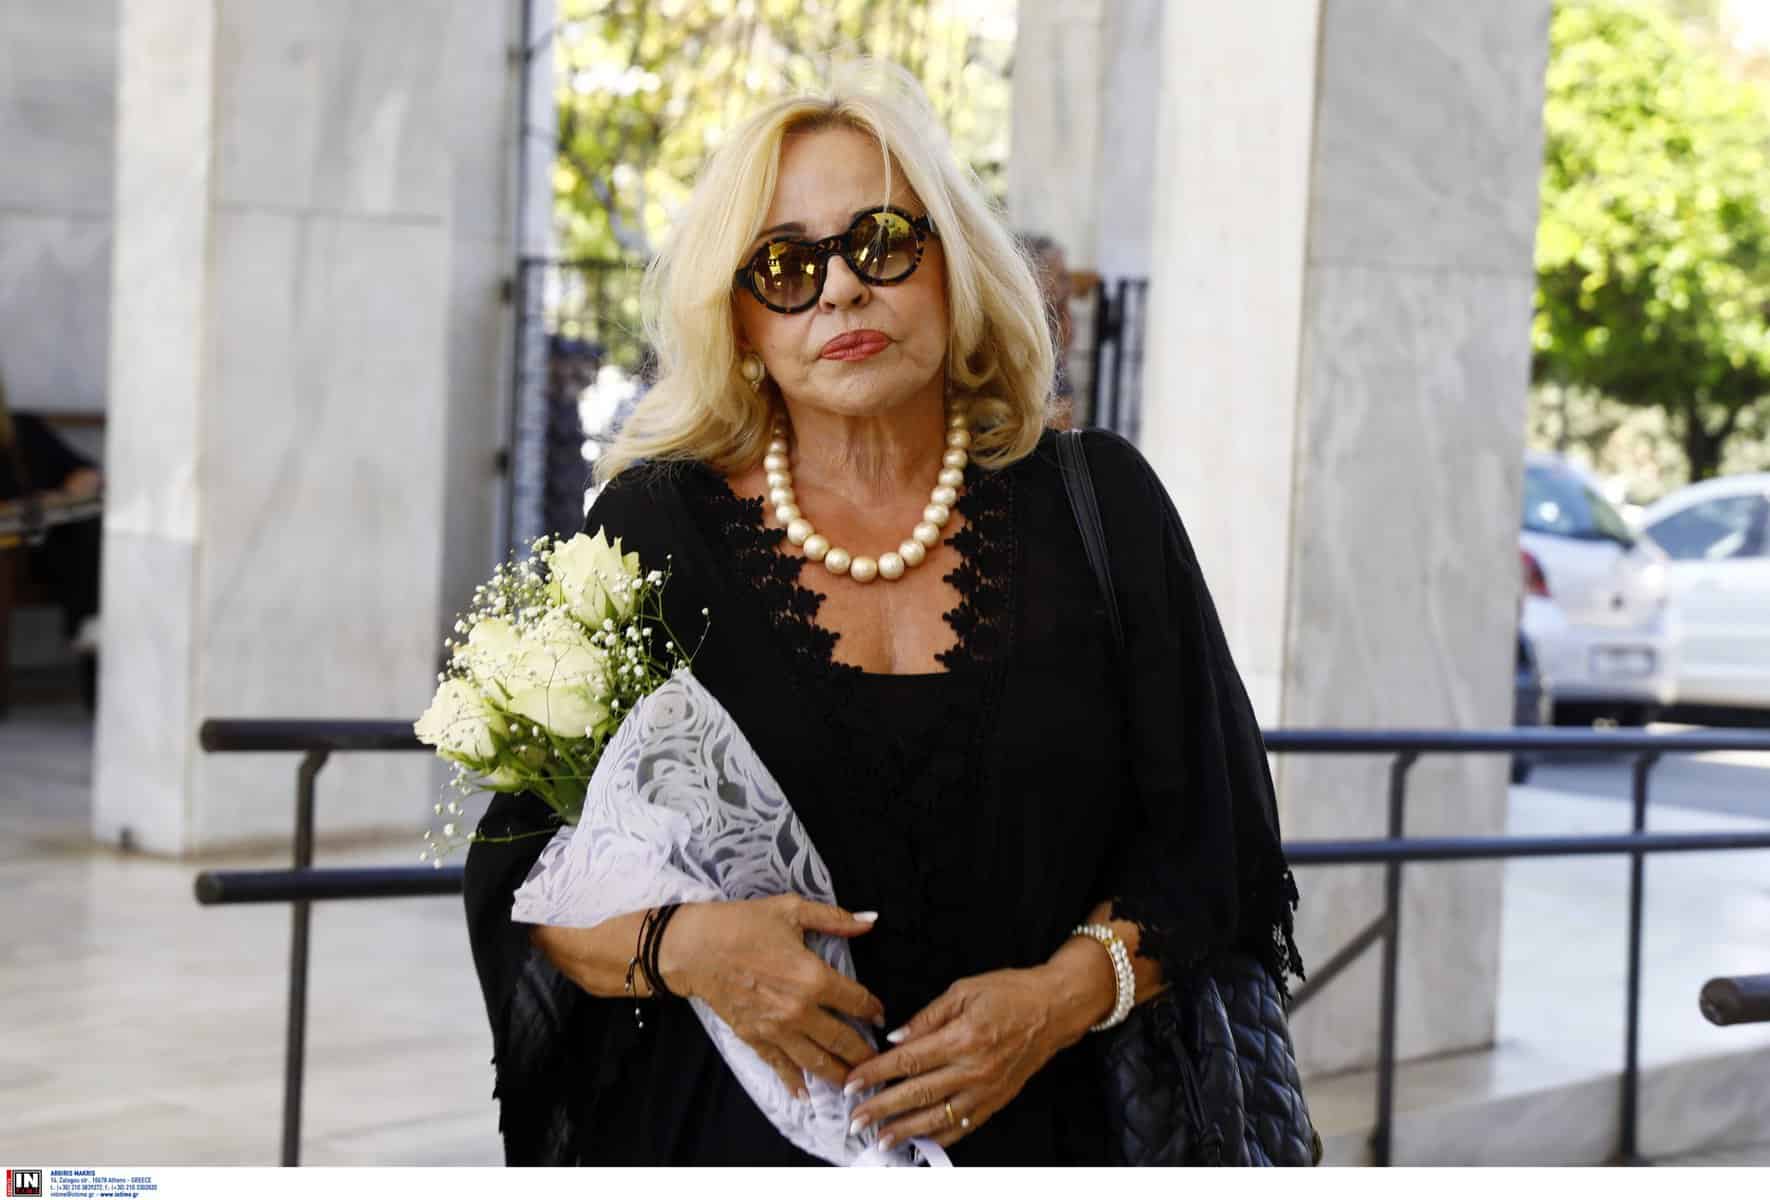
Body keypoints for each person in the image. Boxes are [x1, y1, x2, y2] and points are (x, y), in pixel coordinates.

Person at [463, 61, 1302, 1167]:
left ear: (956, 267)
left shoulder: (1105, 506)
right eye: (785, 266)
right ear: (740, 319)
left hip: (1059, 1140)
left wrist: (1059, 998)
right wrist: (691, 947)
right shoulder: (649, 528)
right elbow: (526, 874)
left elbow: (1217, 850)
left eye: (883, 242)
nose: (841, 291)